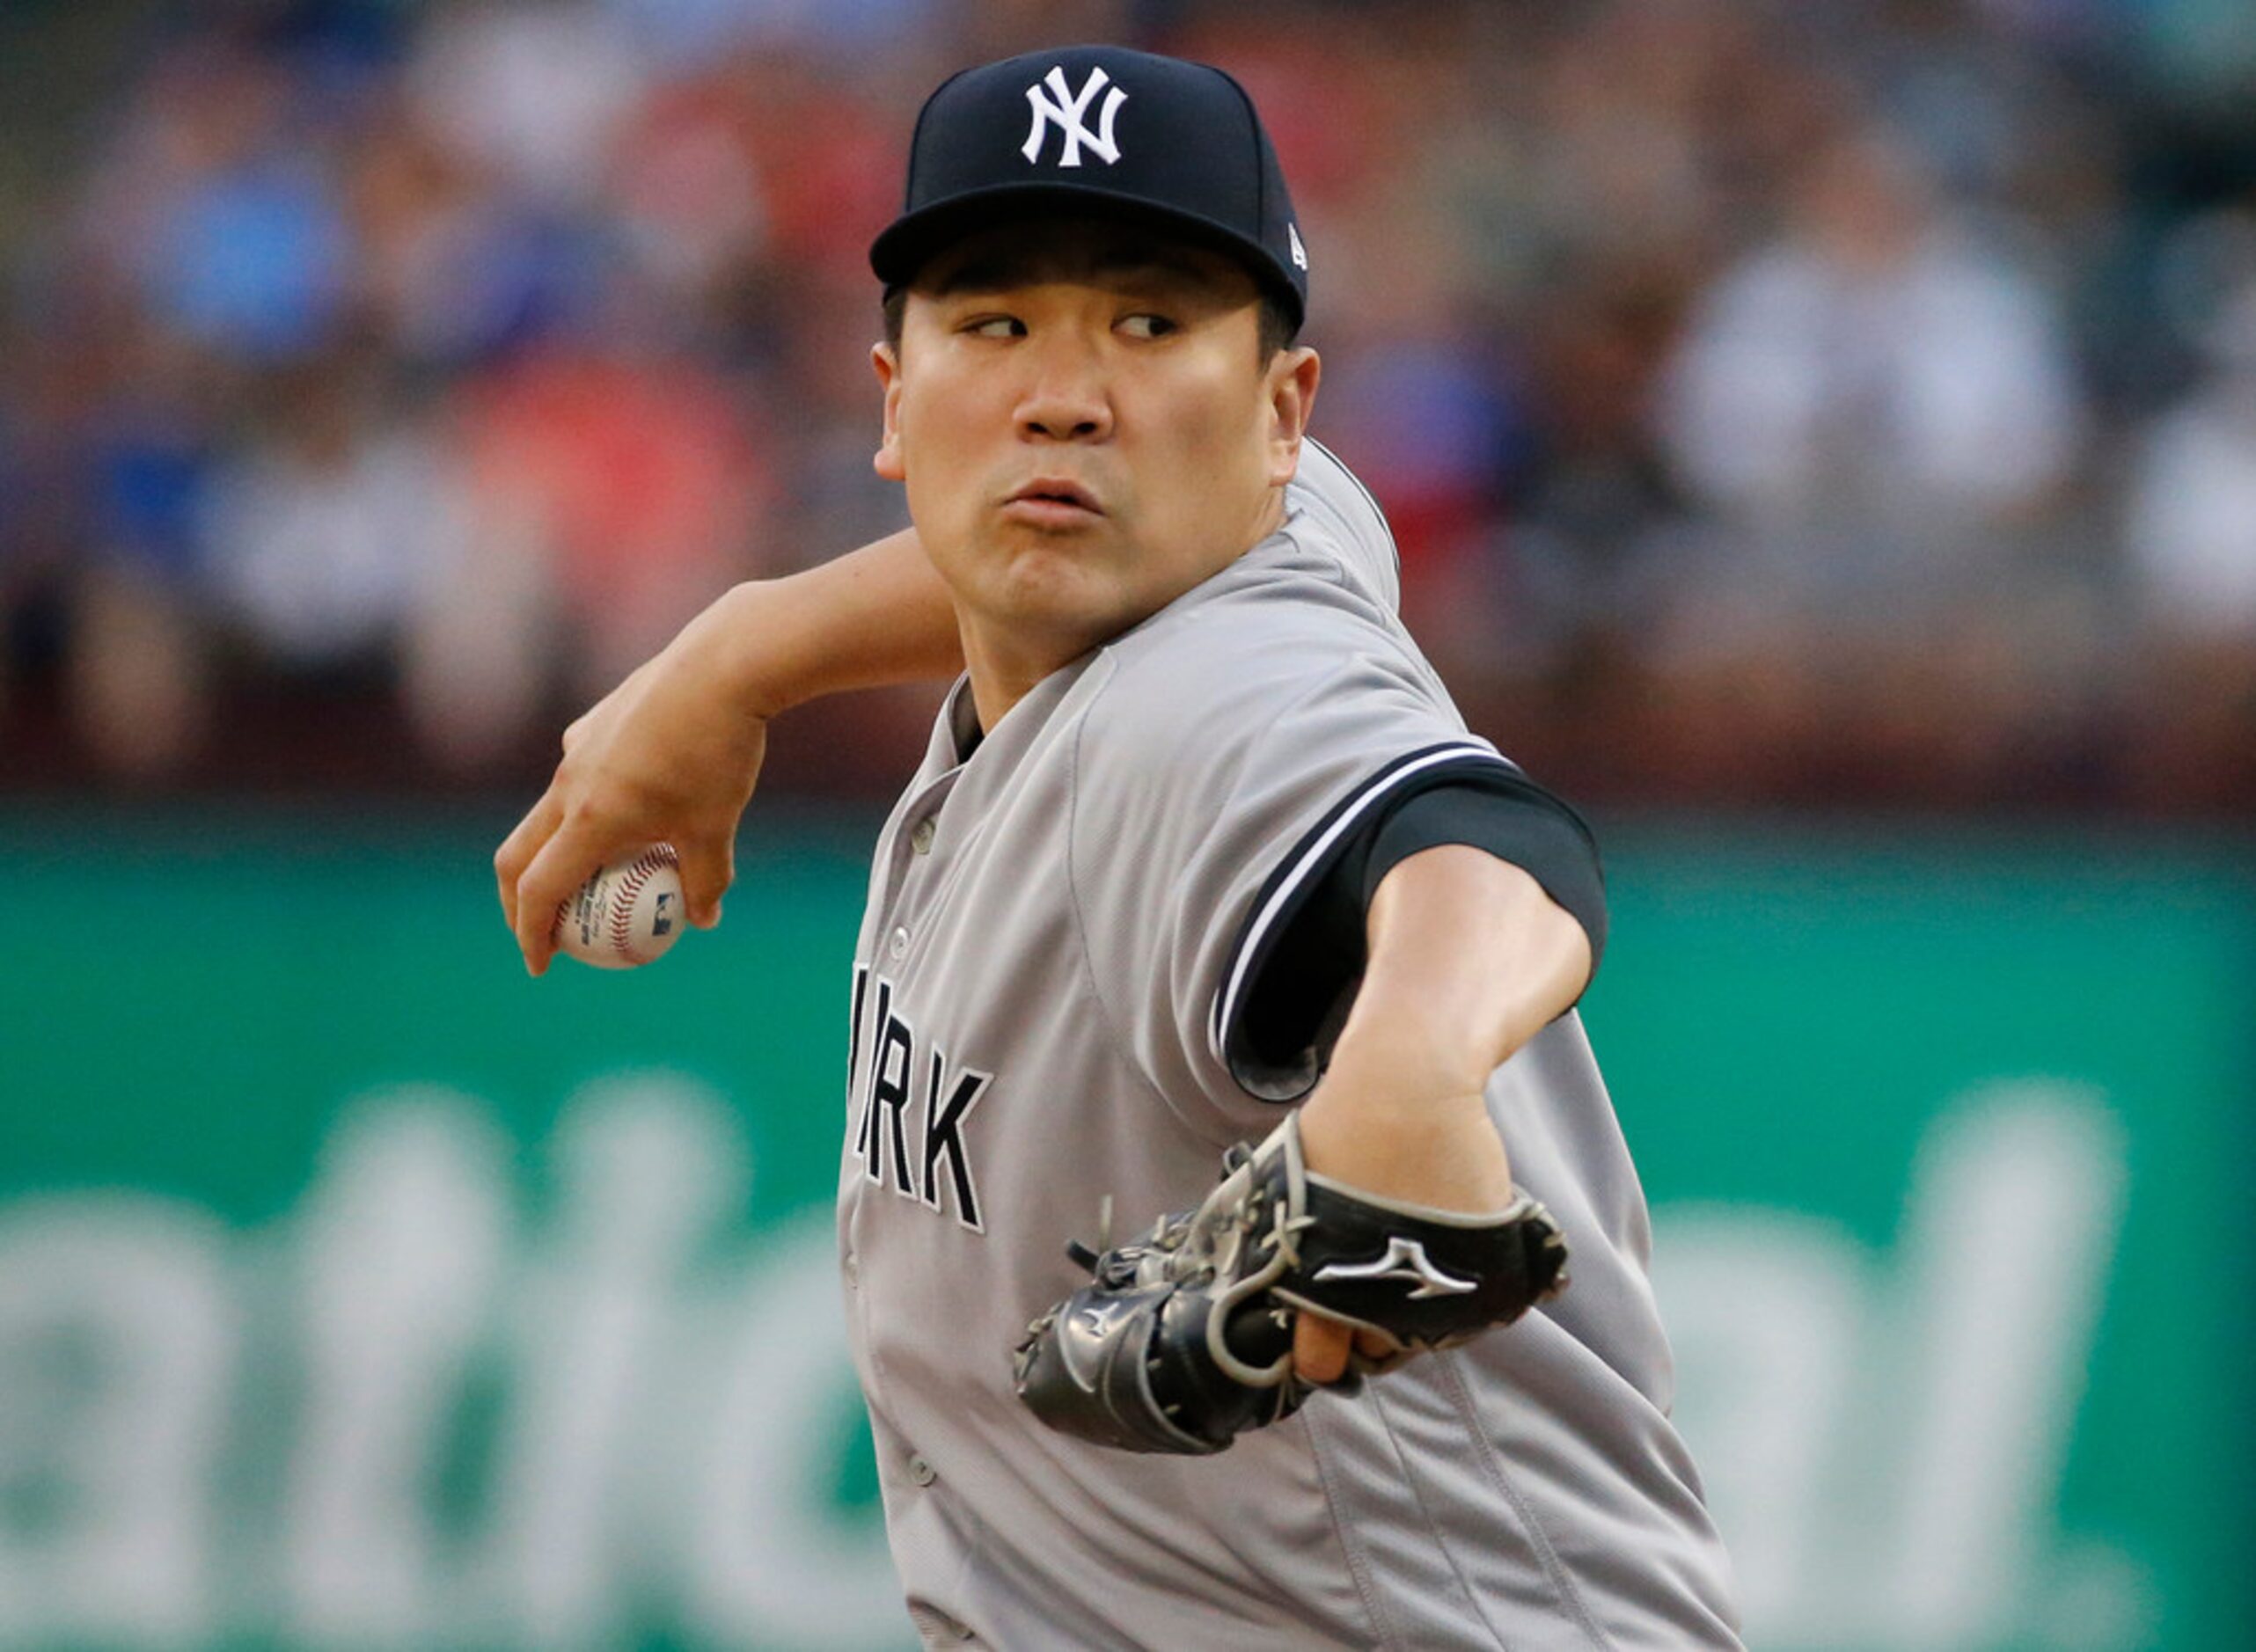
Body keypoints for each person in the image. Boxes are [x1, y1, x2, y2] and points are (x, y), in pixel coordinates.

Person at [498, 45, 1740, 1648]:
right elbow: (1047, 523)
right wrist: (741, 648)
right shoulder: (1275, 532)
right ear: (894, 397)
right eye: (995, 323)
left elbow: (1467, 838)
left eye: (1150, 326)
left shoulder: (1205, 710)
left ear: (1281, 410)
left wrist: (1411, 1070)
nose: (1065, 393)